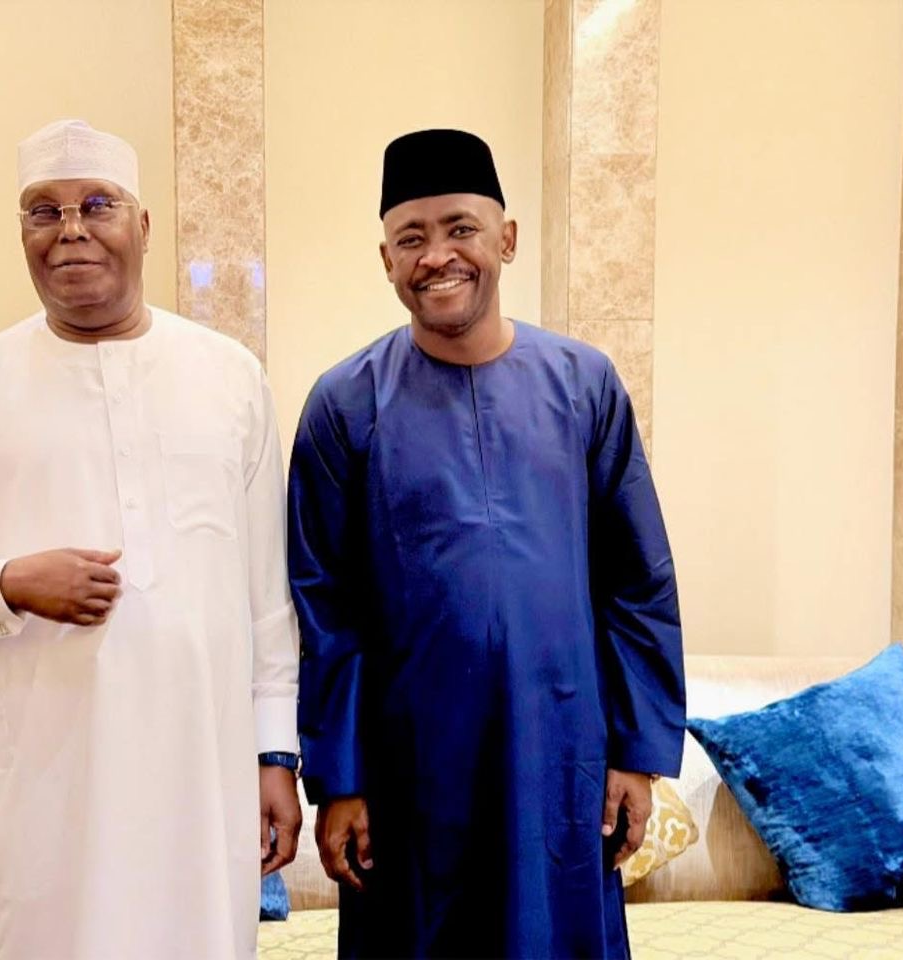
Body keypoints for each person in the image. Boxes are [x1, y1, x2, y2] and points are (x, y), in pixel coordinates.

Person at [0, 119, 301, 959]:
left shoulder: (230, 377)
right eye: (45, 211)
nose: (71, 229)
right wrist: (7, 583)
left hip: (200, 780)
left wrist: (274, 756)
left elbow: (266, 598)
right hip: (49, 787)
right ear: (23, 235)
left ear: (142, 226)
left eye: (98, 204)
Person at [288, 128, 686, 959]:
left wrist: (637, 755)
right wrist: (340, 780)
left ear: (506, 238)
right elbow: (325, 608)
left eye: (460, 228)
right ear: (387, 260)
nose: (437, 256)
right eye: (412, 238)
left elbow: (638, 581)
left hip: (560, 756)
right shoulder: (344, 405)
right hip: (407, 771)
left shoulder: (584, 385)